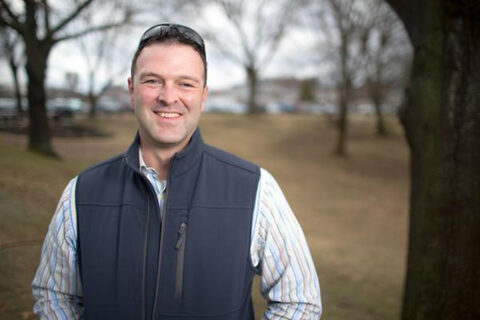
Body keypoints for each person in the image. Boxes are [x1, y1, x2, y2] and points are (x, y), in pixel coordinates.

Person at [32, 23, 322, 319]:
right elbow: (55, 296)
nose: (169, 97)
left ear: (203, 95)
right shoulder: (81, 193)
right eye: (153, 81)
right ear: (132, 90)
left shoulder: (257, 190)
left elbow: (298, 302)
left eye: (185, 83)